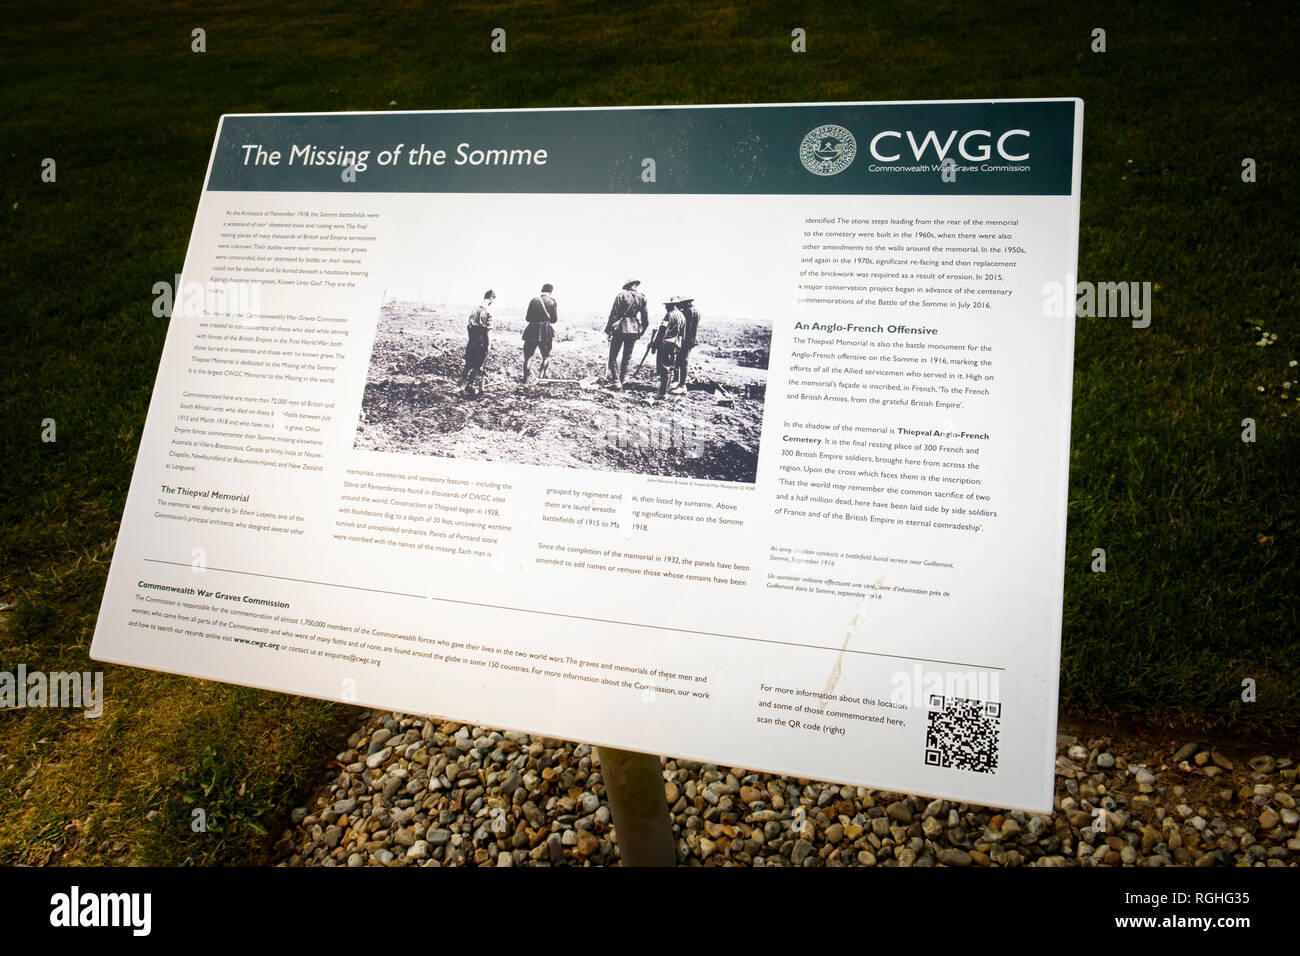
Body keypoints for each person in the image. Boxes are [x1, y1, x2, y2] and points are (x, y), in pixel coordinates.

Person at [605, 279, 649, 390]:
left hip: (620, 329)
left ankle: (616, 381)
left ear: (627, 286)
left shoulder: (621, 296)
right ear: (635, 285)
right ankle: (622, 380)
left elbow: (613, 315)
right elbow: (645, 319)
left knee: (613, 356)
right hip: (634, 331)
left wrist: (608, 330)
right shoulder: (642, 298)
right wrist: (641, 331)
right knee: (627, 357)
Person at [459, 290, 495, 396]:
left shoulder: (474, 309)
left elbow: (469, 326)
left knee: (468, 364)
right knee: (477, 365)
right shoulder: (488, 311)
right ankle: (469, 385)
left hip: (472, 339)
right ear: (491, 299)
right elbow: (488, 330)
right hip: (481, 340)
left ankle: (459, 384)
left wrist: (471, 339)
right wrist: (488, 345)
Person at [650, 298, 686, 400]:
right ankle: (665, 390)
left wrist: (654, 345)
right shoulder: (681, 315)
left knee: (663, 368)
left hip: (665, 344)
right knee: (670, 367)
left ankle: (662, 393)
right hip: (675, 345)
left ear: (672, 305)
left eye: (667, 305)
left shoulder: (669, 315)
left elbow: (662, 331)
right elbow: (683, 333)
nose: (666, 307)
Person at [522, 283, 557, 383]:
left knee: (527, 356)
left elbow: (527, 318)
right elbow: (554, 320)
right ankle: (541, 378)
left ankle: (525, 380)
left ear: (542, 290)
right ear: (551, 291)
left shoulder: (533, 300)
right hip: (545, 331)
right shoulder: (552, 302)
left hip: (531, 330)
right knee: (546, 356)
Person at [672, 296, 700, 394]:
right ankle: (679, 383)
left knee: (683, 361)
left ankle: (682, 385)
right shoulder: (695, 310)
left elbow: (685, 328)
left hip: (686, 340)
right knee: (681, 361)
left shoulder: (689, 312)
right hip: (689, 340)